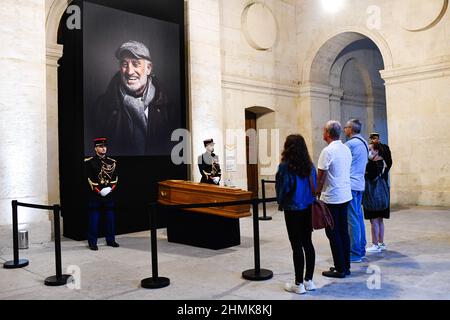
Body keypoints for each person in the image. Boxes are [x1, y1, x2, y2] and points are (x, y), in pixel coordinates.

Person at [91, 40, 174, 156]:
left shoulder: (168, 106)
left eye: (136, 64)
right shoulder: (101, 106)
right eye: (125, 64)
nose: (129, 71)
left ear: (148, 68)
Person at [276, 134, 317, 295]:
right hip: (307, 207)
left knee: (296, 246)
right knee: (308, 243)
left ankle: (298, 283)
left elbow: (283, 188)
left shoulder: (285, 167)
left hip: (292, 209)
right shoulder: (310, 166)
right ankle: (309, 281)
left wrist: (281, 201)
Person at [316, 121, 353, 278]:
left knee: (333, 232)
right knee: (343, 231)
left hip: (332, 196)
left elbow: (321, 176)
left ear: (328, 133)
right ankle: (345, 265)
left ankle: (340, 268)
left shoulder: (327, 151)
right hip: (345, 195)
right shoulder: (345, 148)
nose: (322, 133)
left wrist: (315, 192)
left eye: (324, 130)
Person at [84, 138, 119, 251]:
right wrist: (99, 191)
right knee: (94, 220)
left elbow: (115, 179)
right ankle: (92, 242)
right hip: (96, 195)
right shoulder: (90, 162)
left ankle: (111, 240)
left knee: (110, 219)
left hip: (108, 194)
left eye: (104, 146)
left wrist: (109, 189)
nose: (103, 148)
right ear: (95, 148)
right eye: (100, 146)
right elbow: (89, 179)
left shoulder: (112, 162)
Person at [344, 119, 369, 263]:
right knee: (358, 217)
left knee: (352, 219)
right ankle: (361, 248)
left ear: (351, 129)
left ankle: (355, 253)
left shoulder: (350, 144)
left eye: (346, 128)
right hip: (359, 184)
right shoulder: (364, 142)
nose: (344, 130)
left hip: (351, 185)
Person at [363, 142, 390, 253]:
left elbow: (370, 177)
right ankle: (381, 242)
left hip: (373, 196)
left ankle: (375, 244)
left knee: (374, 221)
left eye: (371, 150)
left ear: (377, 151)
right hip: (383, 196)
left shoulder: (371, 164)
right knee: (380, 220)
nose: (369, 152)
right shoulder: (384, 163)